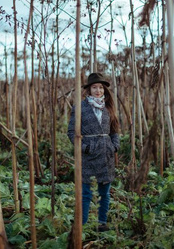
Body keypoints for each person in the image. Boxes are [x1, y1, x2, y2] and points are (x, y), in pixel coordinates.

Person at [67, 72, 120, 232]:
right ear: (89, 90)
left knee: (105, 192)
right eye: (95, 87)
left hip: (106, 154)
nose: (98, 91)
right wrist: (85, 147)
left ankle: (102, 223)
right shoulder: (80, 108)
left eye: (101, 88)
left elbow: (114, 130)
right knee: (86, 192)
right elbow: (71, 132)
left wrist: (114, 146)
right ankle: (82, 226)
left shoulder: (108, 107)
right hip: (88, 155)